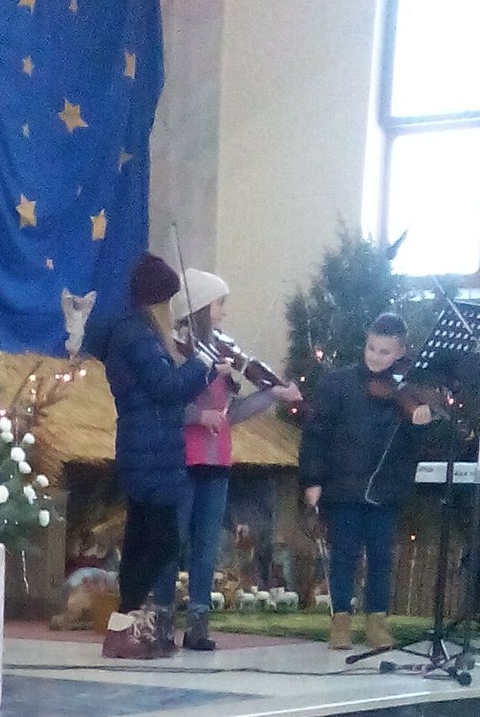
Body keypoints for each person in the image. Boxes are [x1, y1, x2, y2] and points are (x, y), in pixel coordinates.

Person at [85, 253, 224, 660]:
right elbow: (166, 388)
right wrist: (202, 365)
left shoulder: (134, 332)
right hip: (151, 450)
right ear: (157, 299)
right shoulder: (138, 335)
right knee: (163, 542)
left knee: (141, 541)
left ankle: (123, 630)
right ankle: (122, 625)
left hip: (146, 447)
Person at [163, 269, 303, 652]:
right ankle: (160, 619)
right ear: (200, 307)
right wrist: (199, 415)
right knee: (173, 540)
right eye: (219, 304)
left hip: (217, 461)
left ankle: (198, 623)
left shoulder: (221, 355)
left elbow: (232, 413)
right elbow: (166, 404)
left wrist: (273, 394)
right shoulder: (175, 352)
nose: (224, 312)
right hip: (182, 458)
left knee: (208, 544)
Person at [298, 312, 434, 653]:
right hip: (343, 486)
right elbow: (316, 435)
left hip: (386, 488)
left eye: (385, 352)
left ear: (401, 352)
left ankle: (377, 621)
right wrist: (312, 480)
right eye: (371, 348)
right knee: (343, 554)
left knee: (381, 557)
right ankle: (340, 621)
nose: (375, 357)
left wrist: (421, 421)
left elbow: (415, 447)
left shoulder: (407, 390)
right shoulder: (337, 384)